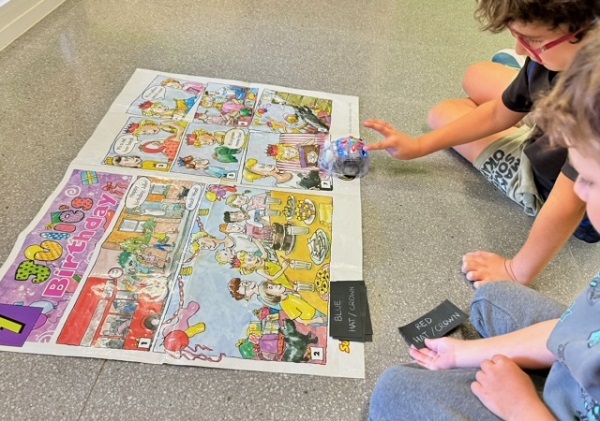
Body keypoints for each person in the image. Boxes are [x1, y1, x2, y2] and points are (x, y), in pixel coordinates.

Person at [369, 26, 600, 420]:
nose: (578, 190)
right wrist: (465, 353)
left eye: (589, 180)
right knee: (492, 297)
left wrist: (522, 407)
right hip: (577, 366)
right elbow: (575, 331)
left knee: (396, 391)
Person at [364, 0, 600, 287]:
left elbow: (569, 202)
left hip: (549, 186)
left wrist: (515, 271)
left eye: (534, 40)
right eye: (517, 37)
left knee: (443, 113)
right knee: (475, 75)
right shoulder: (566, 49)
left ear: (584, 27)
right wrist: (418, 145)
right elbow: (498, 112)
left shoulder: (592, 111)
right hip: (552, 123)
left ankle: (532, 114)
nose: (521, 49)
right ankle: (534, 109)